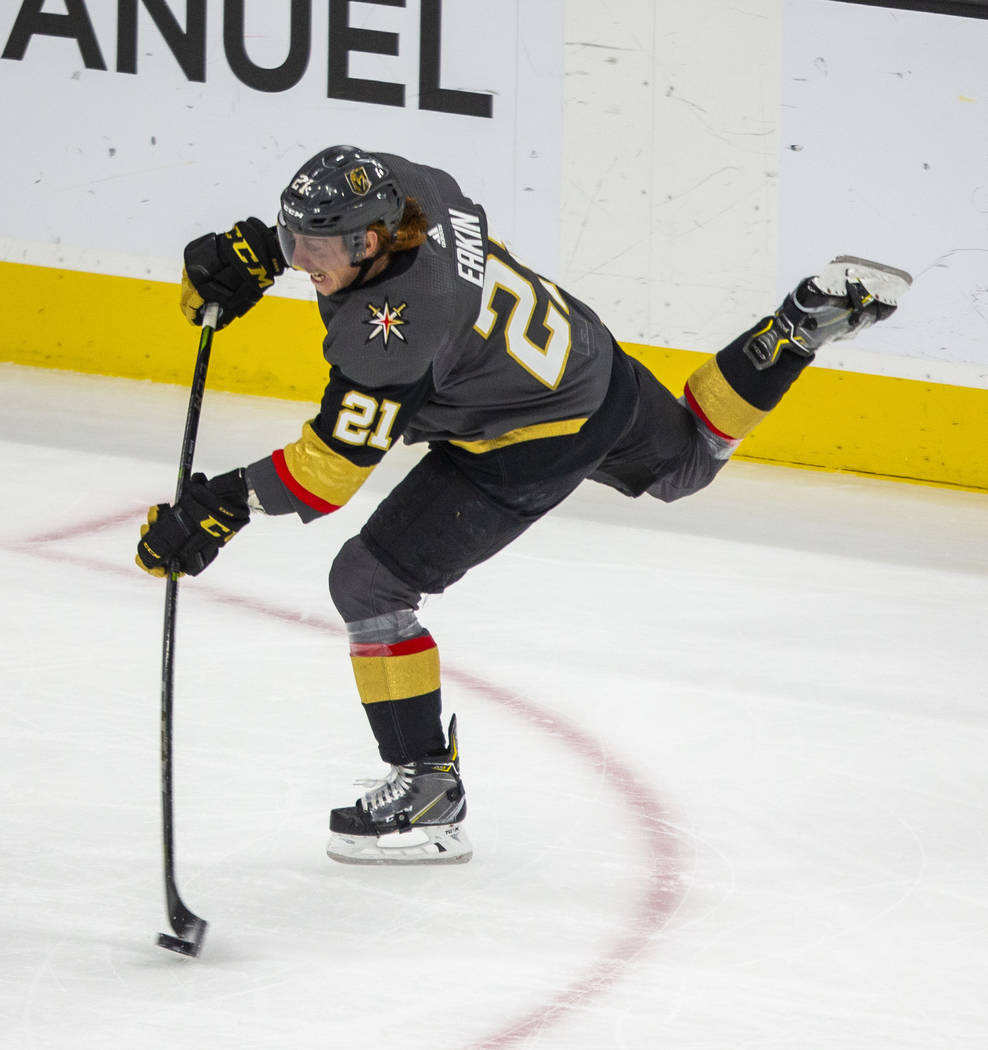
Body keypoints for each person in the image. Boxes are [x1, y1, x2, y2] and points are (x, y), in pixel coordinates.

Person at [136, 145, 911, 865]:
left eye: (318, 250)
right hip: (583, 361)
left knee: (369, 584)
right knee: (685, 466)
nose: (303, 262)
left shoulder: (394, 334)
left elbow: (328, 473)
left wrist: (224, 502)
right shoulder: (411, 186)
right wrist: (261, 249)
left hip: (525, 437)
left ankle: (427, 792)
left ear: (373, 244)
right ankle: (791, 332)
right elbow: (340, 223)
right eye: (293, 238)